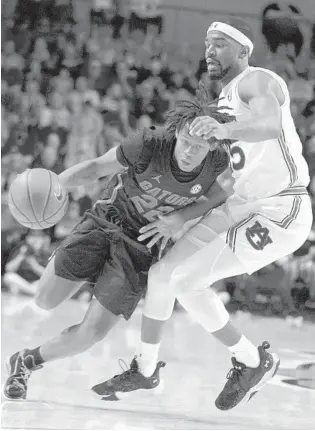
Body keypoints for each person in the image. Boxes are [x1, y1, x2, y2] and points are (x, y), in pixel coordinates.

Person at [92, 17, 312, 410]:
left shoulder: (257, 81)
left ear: (244, 50)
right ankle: (145, 368)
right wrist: (182, 216)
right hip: (241, 204)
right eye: (208, 44)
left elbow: (268, 125)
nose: (210, 50)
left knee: (186, 280)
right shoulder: (223, 102)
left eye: (221, 44)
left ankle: (252, 361)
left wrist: (223, 131)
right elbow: (229, 177)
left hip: (280, 207)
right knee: (162, 274)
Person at [4, 93, 234, 401]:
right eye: (186, 141)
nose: (191, 151)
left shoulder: (217, 162)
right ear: (177, 132)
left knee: (92, 333)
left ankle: (26, 361)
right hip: (104, 222)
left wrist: (181, 217)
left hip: (140, 247)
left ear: (212, 146)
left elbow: (221, 194)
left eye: (200, 146)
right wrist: (52, 185)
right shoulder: (150, 143)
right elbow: (96, 167)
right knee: (45, 300)